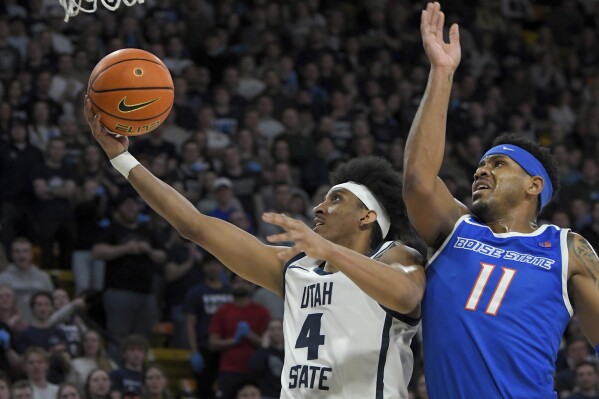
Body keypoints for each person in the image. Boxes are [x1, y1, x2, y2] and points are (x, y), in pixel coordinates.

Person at [84, 97, 425, 398]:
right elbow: (195, 226)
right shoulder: (295, 269)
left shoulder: (396, 256)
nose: (318, 208)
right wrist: (121, 158)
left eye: (335, 200)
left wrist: (330, 251)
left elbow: (408, 297)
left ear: (367, 217)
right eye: (322, 199)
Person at [402, 3, 599, 398]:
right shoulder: (454, 227)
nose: (481, 170)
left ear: (533, 185)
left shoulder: (568, 249)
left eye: (499, 164)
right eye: (480, 164)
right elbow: (418, 182)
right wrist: (442, 73)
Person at [208, 275, 270, 399]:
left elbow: (268, 344)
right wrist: (234, 340)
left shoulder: (262, 312)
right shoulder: (222, 311)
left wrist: (250, 335)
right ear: (231, 285)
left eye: (245, 282)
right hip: (229, 369)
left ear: (252, 285)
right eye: (237, 282)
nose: (241, 285)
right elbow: (212, 344)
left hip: (256, 369)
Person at [248, 319, 284, 399]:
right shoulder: (262, 352)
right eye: (272, 329)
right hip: (267, 394)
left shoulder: (290, 352)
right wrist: (264, 346)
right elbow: (254, 369)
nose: (276, 332)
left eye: (279, 329)